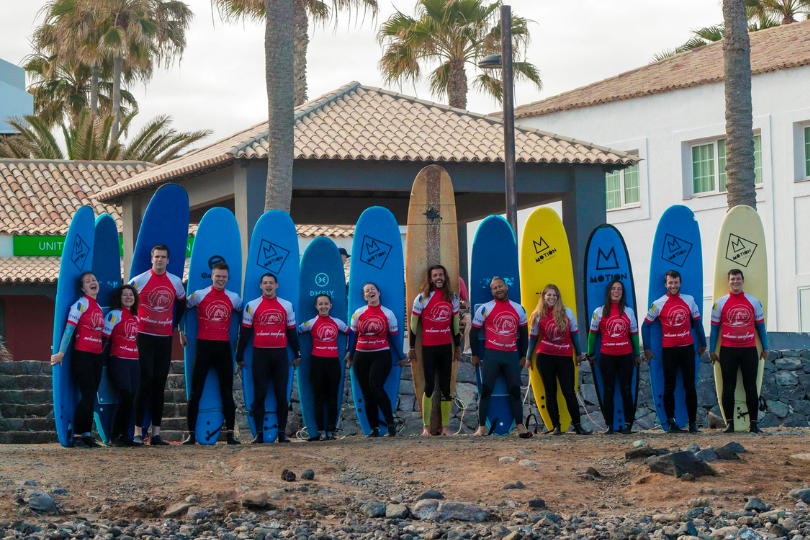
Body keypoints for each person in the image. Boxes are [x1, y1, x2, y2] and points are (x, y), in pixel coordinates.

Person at [128, 244, 186, 445]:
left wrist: (176, 327)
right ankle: (137, 433)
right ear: (151, 259)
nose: (160, 260)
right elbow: (125, 299)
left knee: (159, 384)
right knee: (145, 382)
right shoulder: (139, 280)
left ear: (168, 260)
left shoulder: (176, 282)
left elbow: (182, 304)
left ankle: (156, 433)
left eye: (163, 257)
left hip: (164, 338)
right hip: (143, 336)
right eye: (157, 256)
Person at [182, 262, 243, 446]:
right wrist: (180, 331)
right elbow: (180, 308)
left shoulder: (234, 298)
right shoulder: (199, 295)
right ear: (212, 276)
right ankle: (191, 435)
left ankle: (231, 435)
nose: (221, 279)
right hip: (203, 347)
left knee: (226, 392)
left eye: (224, 276)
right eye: (218, 276)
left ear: (228, 278)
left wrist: (240, 337)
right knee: (195, 392)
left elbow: (247, 317)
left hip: (224, 348)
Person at [237, 273, 300, 444]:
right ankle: (259, 434)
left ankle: (281, 433)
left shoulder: (287, 306)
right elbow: (245, 334)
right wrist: (239, 355)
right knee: (259, 395)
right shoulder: (251, 305)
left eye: (271, 283)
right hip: (260, 356)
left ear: (276, 285)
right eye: (265, 283)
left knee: (281, 395)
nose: (268, 286)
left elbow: (292, 332)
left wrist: (298, 354)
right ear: (261, 286)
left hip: (280, 356)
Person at [641, 270, 706, 433]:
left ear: (680, 283)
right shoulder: (659, 303)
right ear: (666, 284)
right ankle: (671, 422)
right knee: (669, 386)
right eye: (670, 283)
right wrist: (646, 349)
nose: (673, 285)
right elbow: (645, 325)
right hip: (669, 350)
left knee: (689, 386)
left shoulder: (689, 300)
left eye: (676, 282)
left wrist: (703, 343)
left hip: (687, 349)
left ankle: (692, 423)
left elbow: (698, 323)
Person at [469, 277, 533, 438]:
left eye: (500, 286)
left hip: (511, 356)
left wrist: (523, 355)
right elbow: (473, 332)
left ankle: (520, 427)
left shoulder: (519, 309)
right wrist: (475, 355)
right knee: (485, 391)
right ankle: (481, 428)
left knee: (515, 391)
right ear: (491, 291)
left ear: (506, 287)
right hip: (492, 355)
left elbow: (524, 334)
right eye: (494, 288)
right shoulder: (485, 308)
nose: (498, 289)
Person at [709, 269, 769, 434]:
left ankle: (754, 424)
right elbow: (714, 330)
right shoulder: (719, 303)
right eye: (732, 279)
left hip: (749, 349)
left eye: (738, 279)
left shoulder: (753, 302)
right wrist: (711, 350)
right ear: (728, 281)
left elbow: (761, 327)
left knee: (751, 387)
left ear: (743, 281)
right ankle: (730, 424)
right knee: (728, 387)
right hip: (728, 350)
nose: (735, 281)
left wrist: (766, 347)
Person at [528, 284, 591, 436]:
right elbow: (533, 338)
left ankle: (577, 426)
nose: (552, 297)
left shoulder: (567, 312)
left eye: (554, 295)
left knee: (569, 392)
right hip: (545, 356)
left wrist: (578, 353)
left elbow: (575, 334)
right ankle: (556, 426)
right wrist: (528, 357)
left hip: (564, 356)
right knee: (550, 392)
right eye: (549, 295)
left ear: (558, 297)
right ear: (543, 297)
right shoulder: (537, 315)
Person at [51, 272, 105, 448]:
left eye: (94, 280)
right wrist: (61, 352)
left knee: (91, 396)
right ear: (82, 288)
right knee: (88, 393)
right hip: (82, 354)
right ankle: (76, 434)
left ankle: (87, 434)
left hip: (96, 356)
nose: (92, 283)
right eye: (88, 281)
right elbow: (69, 329)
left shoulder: (97, 307)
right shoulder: (81, 304)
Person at [408, 265, 462, 436]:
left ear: (445, 277)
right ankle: (426, 428)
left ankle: (445, 427)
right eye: (435, 275)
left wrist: (458, 347)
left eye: (441, 275)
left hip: (446, 347)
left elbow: (455, 325)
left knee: (446, 386)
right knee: (429, 385)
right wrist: (411, 347)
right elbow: (413, 325)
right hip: (428, 348)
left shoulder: (452, 298)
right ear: (430, 279)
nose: (438, 278)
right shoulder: (422, 298)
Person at [347, 282, 404, 437]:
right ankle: (374, 429)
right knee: (366, 393)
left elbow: (395, 338)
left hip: (381, 355)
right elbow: (353, 337)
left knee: (375, 387)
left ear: (378, 293)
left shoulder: (388, 313)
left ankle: (390, 425)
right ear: (364, 296)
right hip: (361, 356)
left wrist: (402, 356)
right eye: (366, 291)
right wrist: (349, 356)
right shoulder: (358, 313)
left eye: (372, 289)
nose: (370, 292)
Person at [587, 280, 642, 435]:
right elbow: (592, 335)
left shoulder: (628, 311)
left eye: (619, 289)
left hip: (625, 356)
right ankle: (610, 425)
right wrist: (590, 354)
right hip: (607, 357)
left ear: (622, 293)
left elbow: (635, 335)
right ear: (609, 291)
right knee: (608, 390)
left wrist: (637, 354)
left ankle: (628, 424)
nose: (616, 291)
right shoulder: (600, 311)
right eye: (613, 288)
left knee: (626, 390)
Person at [299, 294, 349, 441]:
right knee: (318, 398)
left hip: (333, 363)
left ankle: (330, 432)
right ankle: (320, 431)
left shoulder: (337, 322)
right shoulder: (311, 323)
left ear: (331, 305)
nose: (323, 307)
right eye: (320, 304)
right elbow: (295, 331)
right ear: (316, 306)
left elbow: (351, 333)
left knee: (332, 398)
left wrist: (349, 352)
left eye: (326, 304)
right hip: (317, 363)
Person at [102, 285, 141, 447]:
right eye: (124, 295)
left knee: (131, 398)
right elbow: (103, 339)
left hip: (135, 362)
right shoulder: (114, 315)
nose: (128, 297)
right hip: (119, 360)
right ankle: (114, 436)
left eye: (131, 295)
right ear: (119, 297)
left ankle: (126, 435)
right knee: (123, 396)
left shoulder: (136, 317)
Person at [458, 276, 472, 354]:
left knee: (469, 318)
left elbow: (464, 298)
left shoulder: (459, 280)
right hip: (442, 311)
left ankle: (467, 348)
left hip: (457, 311)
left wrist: (466, 303)